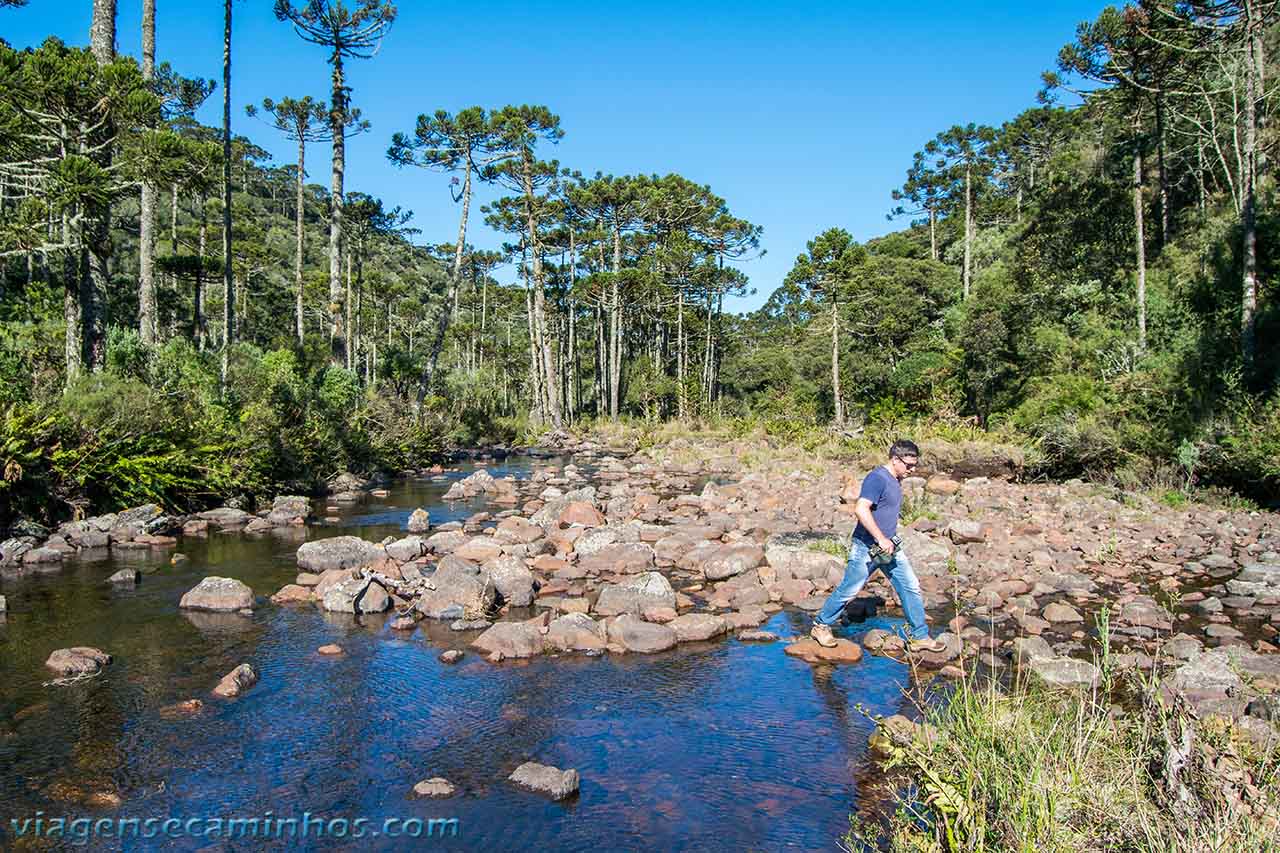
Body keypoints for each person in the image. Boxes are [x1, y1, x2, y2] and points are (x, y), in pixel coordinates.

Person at [810, 439, 944, 653]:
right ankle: (821, 625)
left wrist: (887, 539)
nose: (913, 469)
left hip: (889, 547)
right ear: (894, 459)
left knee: (910, 586)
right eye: (909, 465)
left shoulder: (895, 478)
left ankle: (919, 636)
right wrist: (881, 538)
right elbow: (861, 509)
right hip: (866, 546)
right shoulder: (877, 478)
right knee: (850, 589)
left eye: (915, 465)